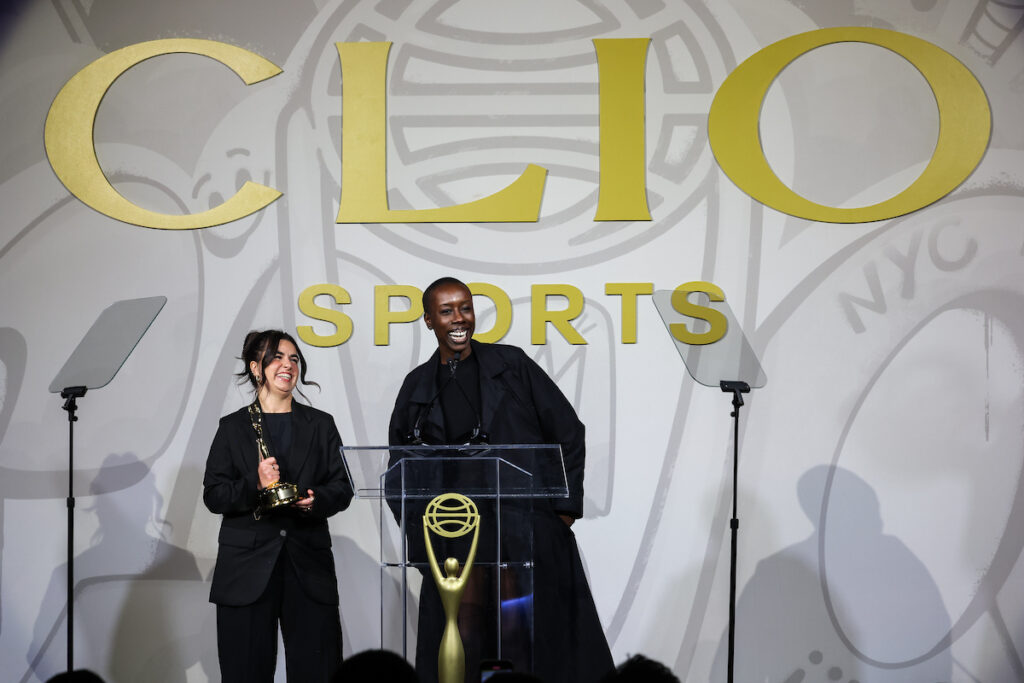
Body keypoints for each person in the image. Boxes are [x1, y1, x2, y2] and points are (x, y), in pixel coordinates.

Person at [389, 277, 614, 683]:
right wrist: (422, 541)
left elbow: (568, 431)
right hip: (455, 536)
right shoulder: (417, 387)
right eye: (446, 311)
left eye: (465, 308)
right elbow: (398, 472)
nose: (459, 318)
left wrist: (562, 511)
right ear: (429, 320)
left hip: (521, 528)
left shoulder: (511, 366)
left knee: (526, 639)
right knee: (465, 640)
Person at [203, 329, 353, 682]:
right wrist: (255, 483)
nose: (288, 365)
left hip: (308, 567)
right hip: (246, 571)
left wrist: (316, 500)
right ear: (256, 367)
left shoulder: (321, 424)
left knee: (319, 671)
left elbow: (342, 487)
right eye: (277, 357)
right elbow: (214, 494)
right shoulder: (232, 427)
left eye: (294, 359)